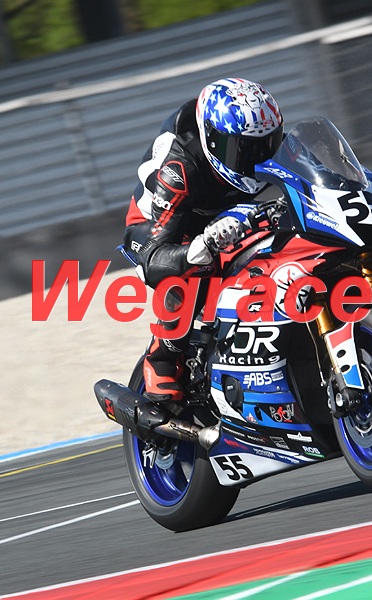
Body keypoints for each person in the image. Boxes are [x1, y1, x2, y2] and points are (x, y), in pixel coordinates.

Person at [123, 78, 284, 404]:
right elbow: (154, 257)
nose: (255, 159)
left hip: (226, 213)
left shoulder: (263, 142)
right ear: (212, 139)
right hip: (161, 227)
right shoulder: (179, 168)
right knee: (198, 267)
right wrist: (203, 245)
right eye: (242, 150)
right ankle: (162, 359)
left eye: (266, 146)